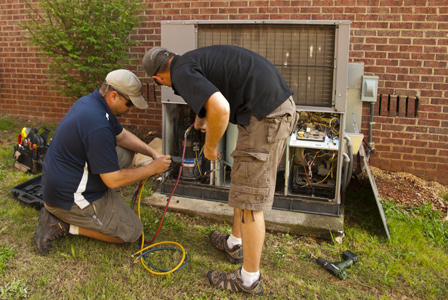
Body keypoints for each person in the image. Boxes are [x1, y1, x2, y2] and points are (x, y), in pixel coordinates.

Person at [143, 45, 298, 295]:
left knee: (250, 201)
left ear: (157, 78)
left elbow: (222, 109)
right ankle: (234, 243)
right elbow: (212, 95)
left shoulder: (181, 73)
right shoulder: (188, 60)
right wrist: (200, 119)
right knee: (242, 185)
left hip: (267, 116)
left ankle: (249, 280)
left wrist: (209, 146)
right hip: (263, 111)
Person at [34, 69, 172, 256]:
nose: (131, 109)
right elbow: (113, 180)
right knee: (131, 232)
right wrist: (151, 169)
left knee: (126, 151)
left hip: (67, 179)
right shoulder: (97, 125)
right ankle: (62, 224)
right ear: (114, 96)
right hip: (68, 198)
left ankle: (99, 202)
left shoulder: (93, 103)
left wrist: (152, 153)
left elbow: (121, 136)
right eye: (129, 103)